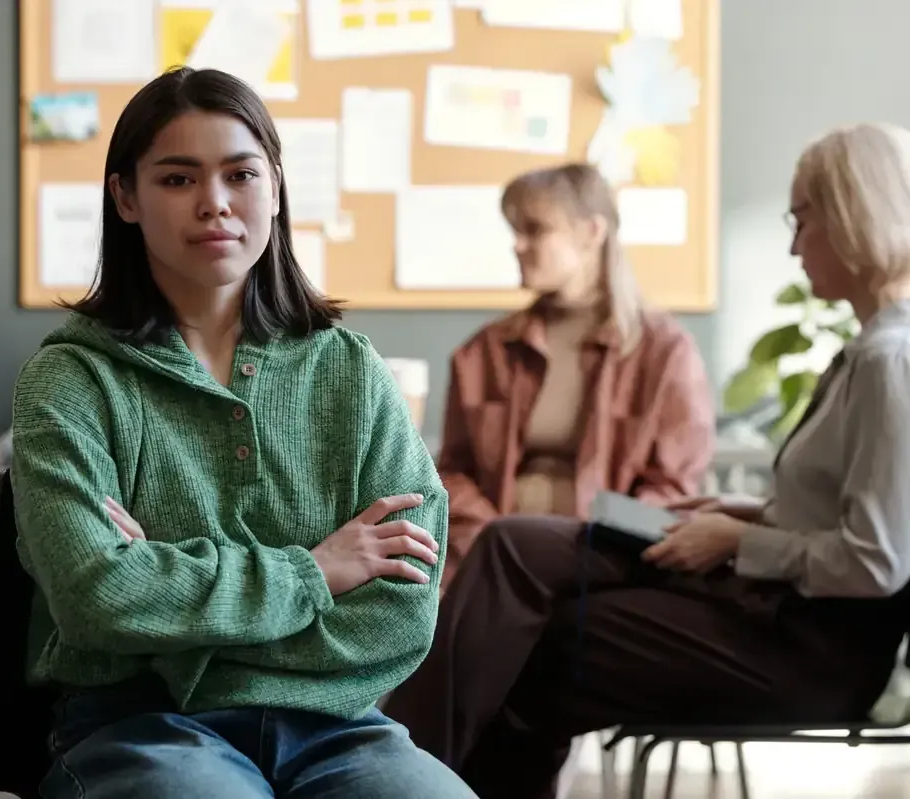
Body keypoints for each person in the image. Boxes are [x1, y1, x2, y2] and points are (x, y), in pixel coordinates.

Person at [382, 123, 910, 798]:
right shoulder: (872, 350)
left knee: (520, 610)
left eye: (801, 219)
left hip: (807, 646)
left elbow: (877, 560)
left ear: (851, 215)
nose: (791, 242)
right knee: (513, 584)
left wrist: (743, 538)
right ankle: (394, 775)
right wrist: (744, 510)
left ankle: (386, 778)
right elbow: (846, 509)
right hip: (779, 613)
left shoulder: (889, 359)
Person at [10, 67, 472, 799]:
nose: (215, 204)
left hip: (337, 728)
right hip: (141, 726)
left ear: (277, 188)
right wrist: (315, 572)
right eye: (177, 179)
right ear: (125, 197)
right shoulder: (71, 380)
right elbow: (94, 593)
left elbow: (400, 611)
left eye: (240, 174)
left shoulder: (348, 369)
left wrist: (164, 585)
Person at [437, 163, 715, 588]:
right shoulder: (483, 352)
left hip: (605, 568)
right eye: (514, 230)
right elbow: (452, 473)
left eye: (535, 230)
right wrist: (494, 542)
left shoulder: (664, 352)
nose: (517, 245)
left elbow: (673, 487)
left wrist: (599, 552)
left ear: (591, 233)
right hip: (492, 559)